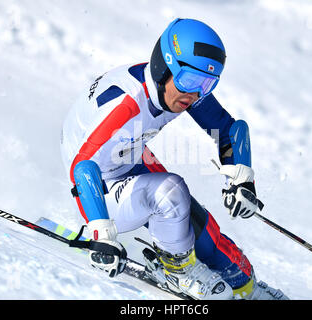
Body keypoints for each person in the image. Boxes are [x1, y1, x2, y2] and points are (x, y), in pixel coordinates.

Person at [60, 18, 289, 300]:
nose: (194, 94)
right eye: (190, 81)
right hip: (96, 185)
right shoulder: (127, 105)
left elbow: (230, 129)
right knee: (170, 192)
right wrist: (100, 233)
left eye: (206, 83)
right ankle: (177, 270)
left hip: (127, 157)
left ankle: (248, 289)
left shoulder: (178, 89)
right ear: (163, 65)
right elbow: (82, 168)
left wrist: (241, 179)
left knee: (201, 231)